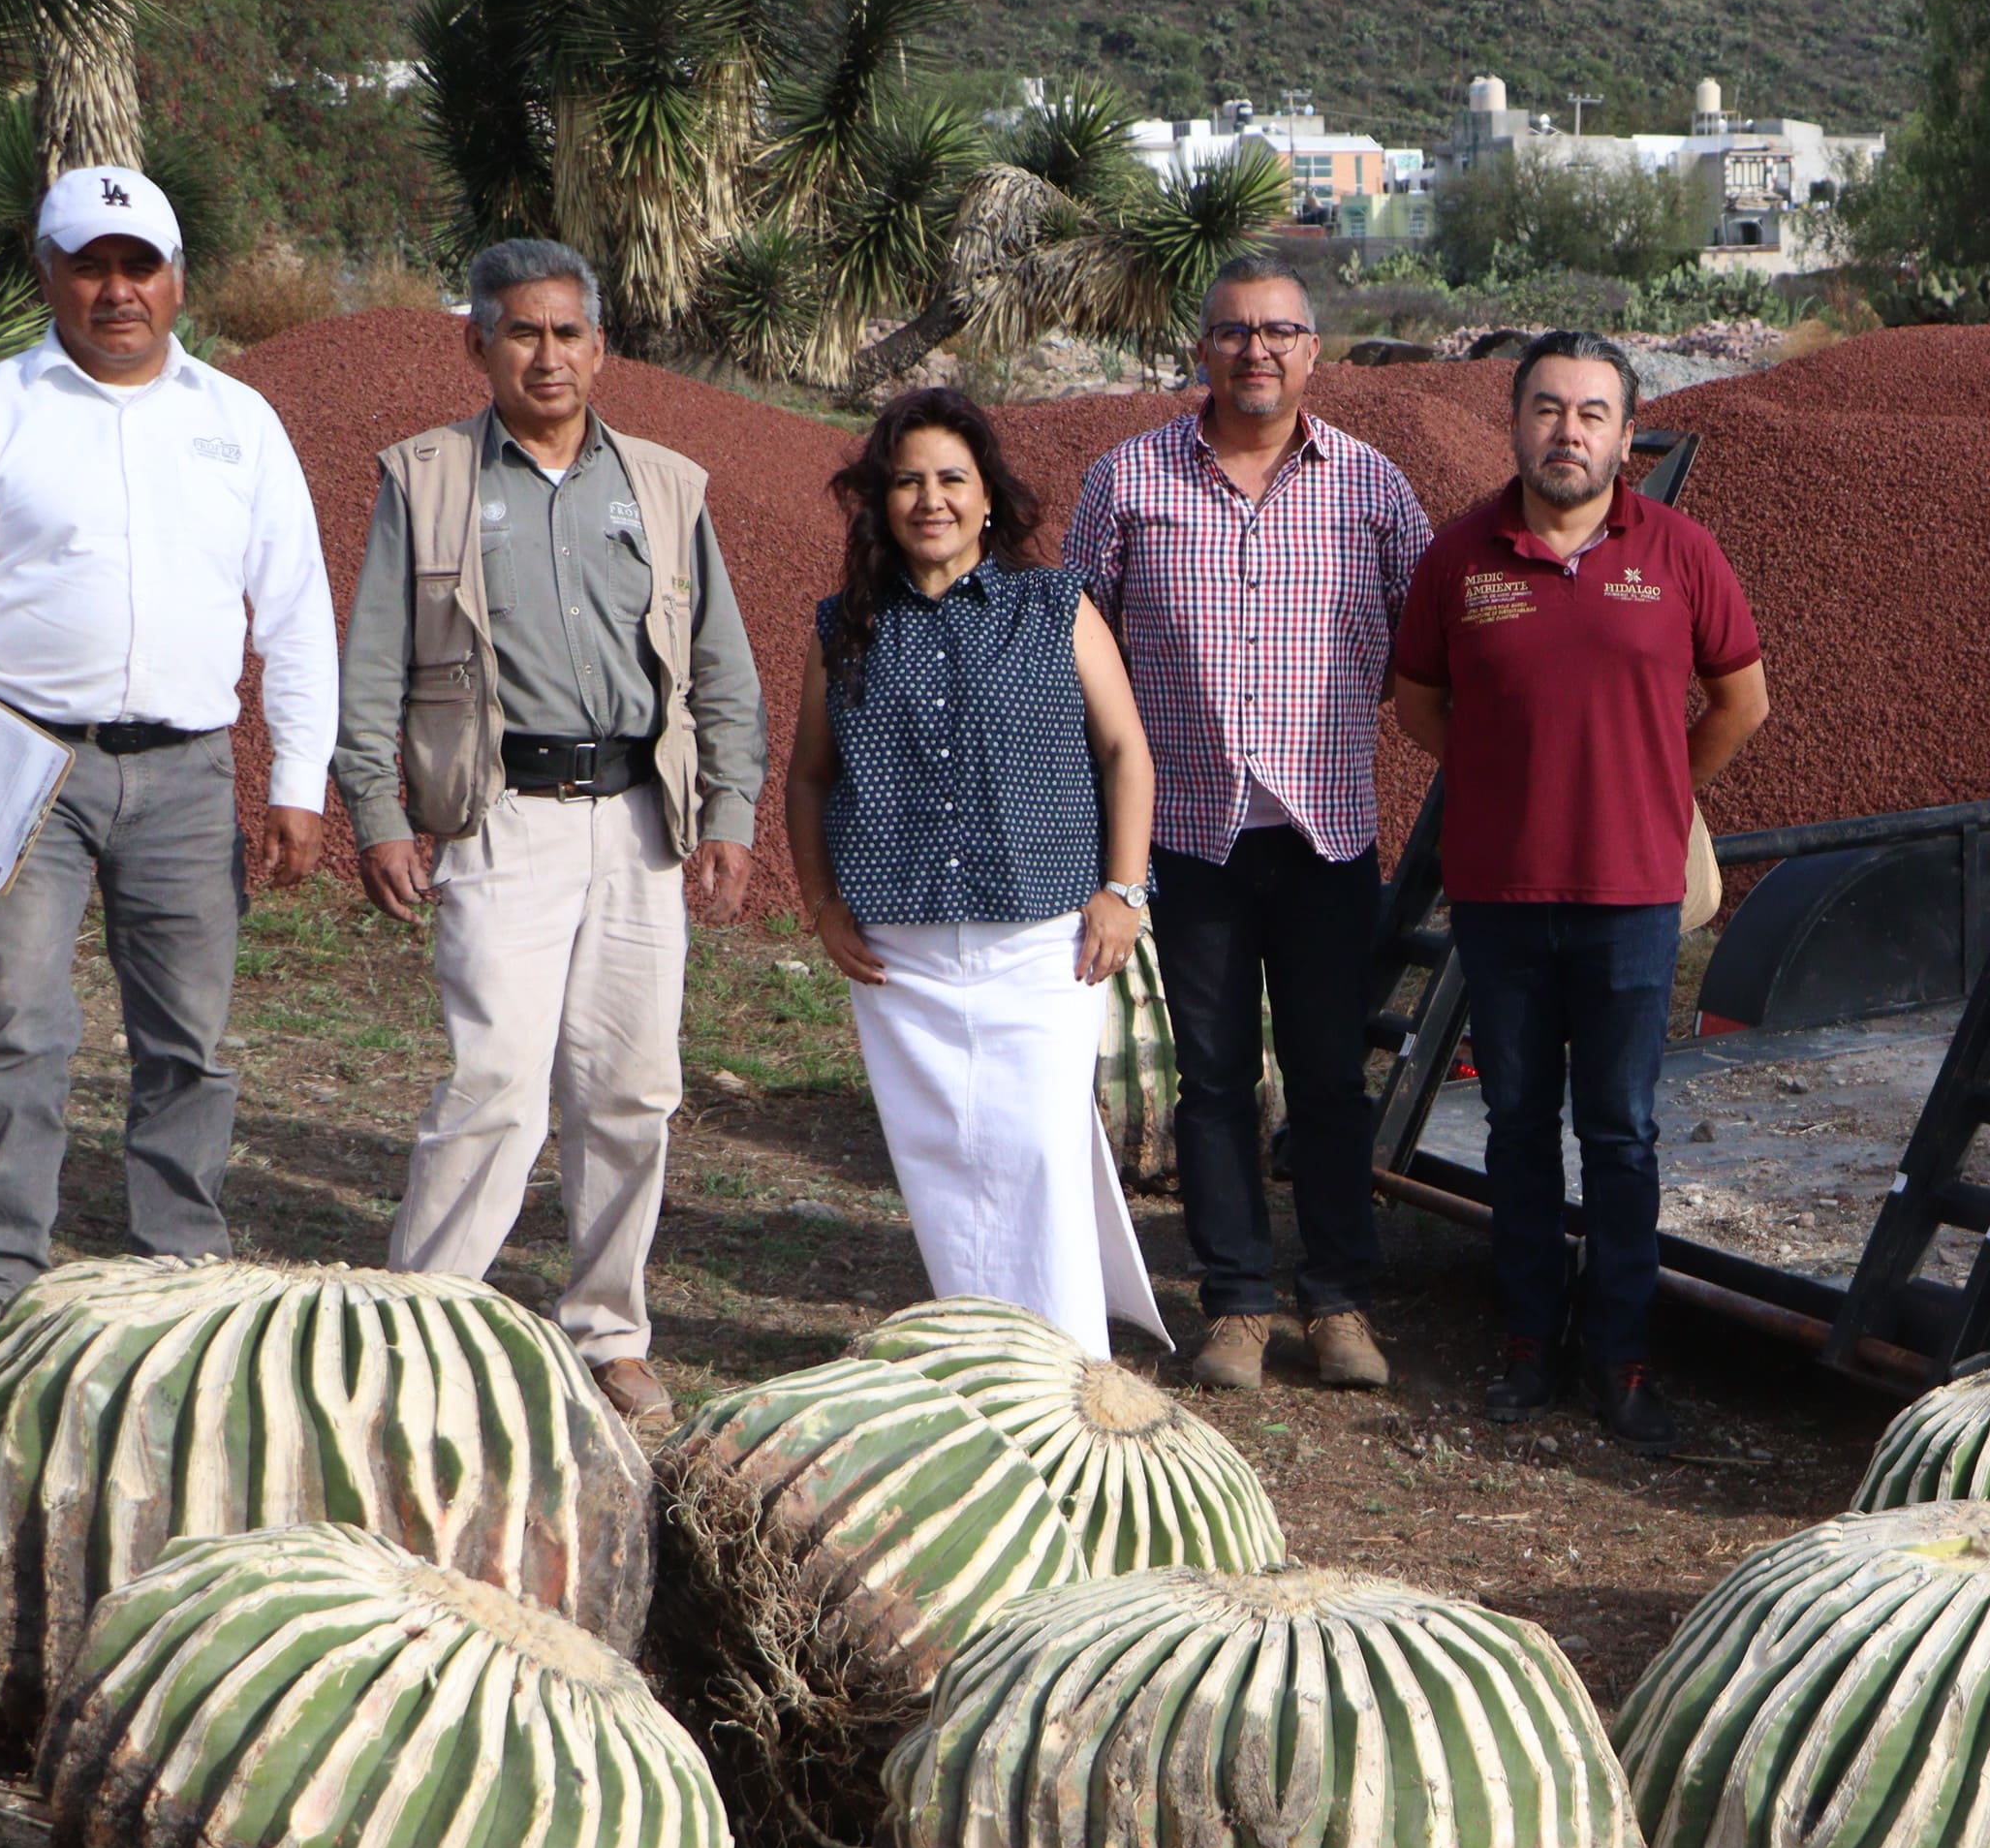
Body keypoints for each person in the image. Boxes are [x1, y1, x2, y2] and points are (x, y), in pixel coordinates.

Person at [0, 165, 337, 1362]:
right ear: (48, 271)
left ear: (178, 278)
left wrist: (298, 779)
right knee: (19, 1023)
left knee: (191, 1038)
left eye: (141, 266)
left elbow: (293, 611)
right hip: (24, 759)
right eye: (91, 264)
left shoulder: (238, 423)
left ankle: (179, 1261)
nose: (118, 290)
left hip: (188, 772)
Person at [332, 238, 767, 1431]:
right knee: (496, 1085)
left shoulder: (668, 485)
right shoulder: (423, 478)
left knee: (632, 1089)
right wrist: (379, 812)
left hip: (638, 822)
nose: (546, 355)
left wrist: (729, 808)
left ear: (601, 347)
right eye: (520, 332)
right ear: (477, 344)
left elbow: (721, 664)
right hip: (500, 819)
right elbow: (371, 663)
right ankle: (421, 1322)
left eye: (567, 332)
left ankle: (609, 1333)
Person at [1387, 330, 1769, 1454]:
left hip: (1631, 898)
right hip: (1501, 894)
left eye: (1592, 412)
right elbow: (1421, 710)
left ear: (1625, 432)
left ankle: (1623, 1355)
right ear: (1516, 424)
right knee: (1512, 1127)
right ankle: (1525, 1342)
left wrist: (1658, 789)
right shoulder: (1460, 558)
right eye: (1548, 408)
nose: (1569, 431)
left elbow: (1740, 702)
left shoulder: (1681, 552)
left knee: (1621, 1131)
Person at [1064, 252, 1430, 1394]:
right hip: (1188, 834)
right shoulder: (1129, 481)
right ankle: (1236, 1302)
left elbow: (1418, 650)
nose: (1256, 351)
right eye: (1233, 331)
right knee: (1215, 1075)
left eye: (1279, 331)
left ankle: (1337, 1299)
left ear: (1315, 350)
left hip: (1325, 829)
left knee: (1328, 1071)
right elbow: (1079, 649)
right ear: (1200, 348)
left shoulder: (1373, 488)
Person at [781, 389, 1166, 1354]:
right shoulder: (844, 628)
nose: (930, 499)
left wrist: (1123, 891)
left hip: (1041, 943)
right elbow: (808, 776)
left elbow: (1126, 750)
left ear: (989, 496)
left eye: (952, 477)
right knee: (942, 1161)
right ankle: (982, 1354)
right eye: (907, 481)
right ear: (879, 502)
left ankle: (1070, 1365)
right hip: (899, 956)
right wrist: (822, 902)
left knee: (1037, 1151)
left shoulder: (1054, 605)